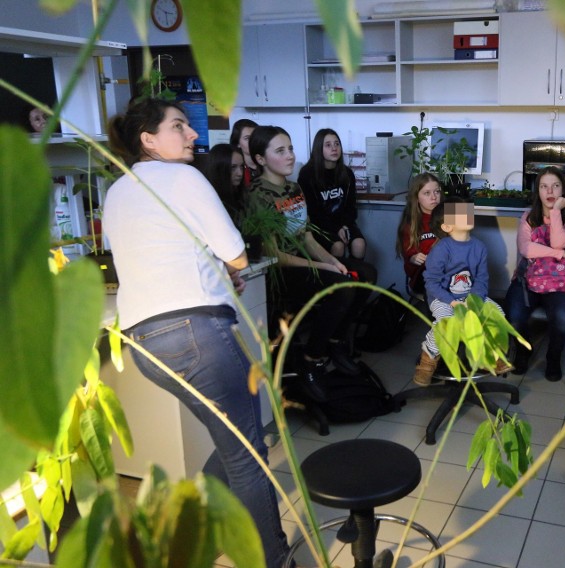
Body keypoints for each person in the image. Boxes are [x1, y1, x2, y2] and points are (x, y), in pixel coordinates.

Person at [102, 99, 290, 567]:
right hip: (194, 333)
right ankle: (276, 560)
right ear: (148, 139)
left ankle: (197, 531)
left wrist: (214, 269)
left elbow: (154, 253)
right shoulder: (184, 177)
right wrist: (227, 265)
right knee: (249, 454)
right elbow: (238, 255)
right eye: (179, 126)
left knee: (227, 439)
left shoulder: (119, 190)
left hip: (144, 342)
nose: (192, 135)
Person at [246, 125, 377, 402]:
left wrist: (332, 261)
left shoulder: (293, 188)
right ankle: (311, 357)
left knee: (364, 273)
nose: (290, 156)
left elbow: (305, 237)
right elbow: (274, 254)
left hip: (304, 262)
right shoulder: (258, 194)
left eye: (290, 148)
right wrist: (325, 268)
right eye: (280, 151)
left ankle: (335, 342)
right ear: (260, 159)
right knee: (342, 287)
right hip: (280, 274)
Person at [413, 197, 512, 386]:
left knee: (497, 314)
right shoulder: (441, 250)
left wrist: (473, 301)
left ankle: (488, 355)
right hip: (443, 298)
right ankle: (428, 358)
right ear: (447, 227)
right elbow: (431, 283)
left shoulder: (479, 247)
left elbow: (482, 279)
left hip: (471, 296)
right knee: (446, 323)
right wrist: (452, 302)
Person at [505, 166, 565, 382]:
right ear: (537, 190)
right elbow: (526, 249)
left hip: (561, 282)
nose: (550, 192)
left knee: (562, 319)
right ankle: (523, 351)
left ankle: (553, 357)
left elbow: (559, 240)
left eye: (555, 186)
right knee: (514, 317)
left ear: (563, 190)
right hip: (528, 279)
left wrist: (556, 212)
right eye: (544, 186)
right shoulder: (528, 216)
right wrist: (564, 255)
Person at [298, 128, 366, 259]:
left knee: (359, 244)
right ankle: (337, 276)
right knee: (338, 246)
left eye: (337, 144)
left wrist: (344, 226)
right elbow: (313, 212)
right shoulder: (307, 174)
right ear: (319, 148)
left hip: (343, 222)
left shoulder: (347, 173)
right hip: (320, 225)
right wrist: (336, 229)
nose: (334, 148)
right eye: (328, 145)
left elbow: (351, 207)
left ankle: (353, 276)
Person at [395, 172, 442, 296]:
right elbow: (409, 268)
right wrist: (413, 258)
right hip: (424, 279)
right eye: (427, 193)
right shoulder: (410, 223)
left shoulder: (449, 211)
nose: (434, 197)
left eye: (437, 192)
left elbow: (468, 241)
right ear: (416, 198)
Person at [205, 142, 245, 223]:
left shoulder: (241, 194)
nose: (240, 173)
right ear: (219, 168)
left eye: (242, 166)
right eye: (233, 167)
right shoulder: (210, 201)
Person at [230, 118, 259, 188]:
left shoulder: (268, 164)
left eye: (255, 137)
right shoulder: (234, 168)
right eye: (247, 138)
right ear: (238, 143)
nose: (253, 141)